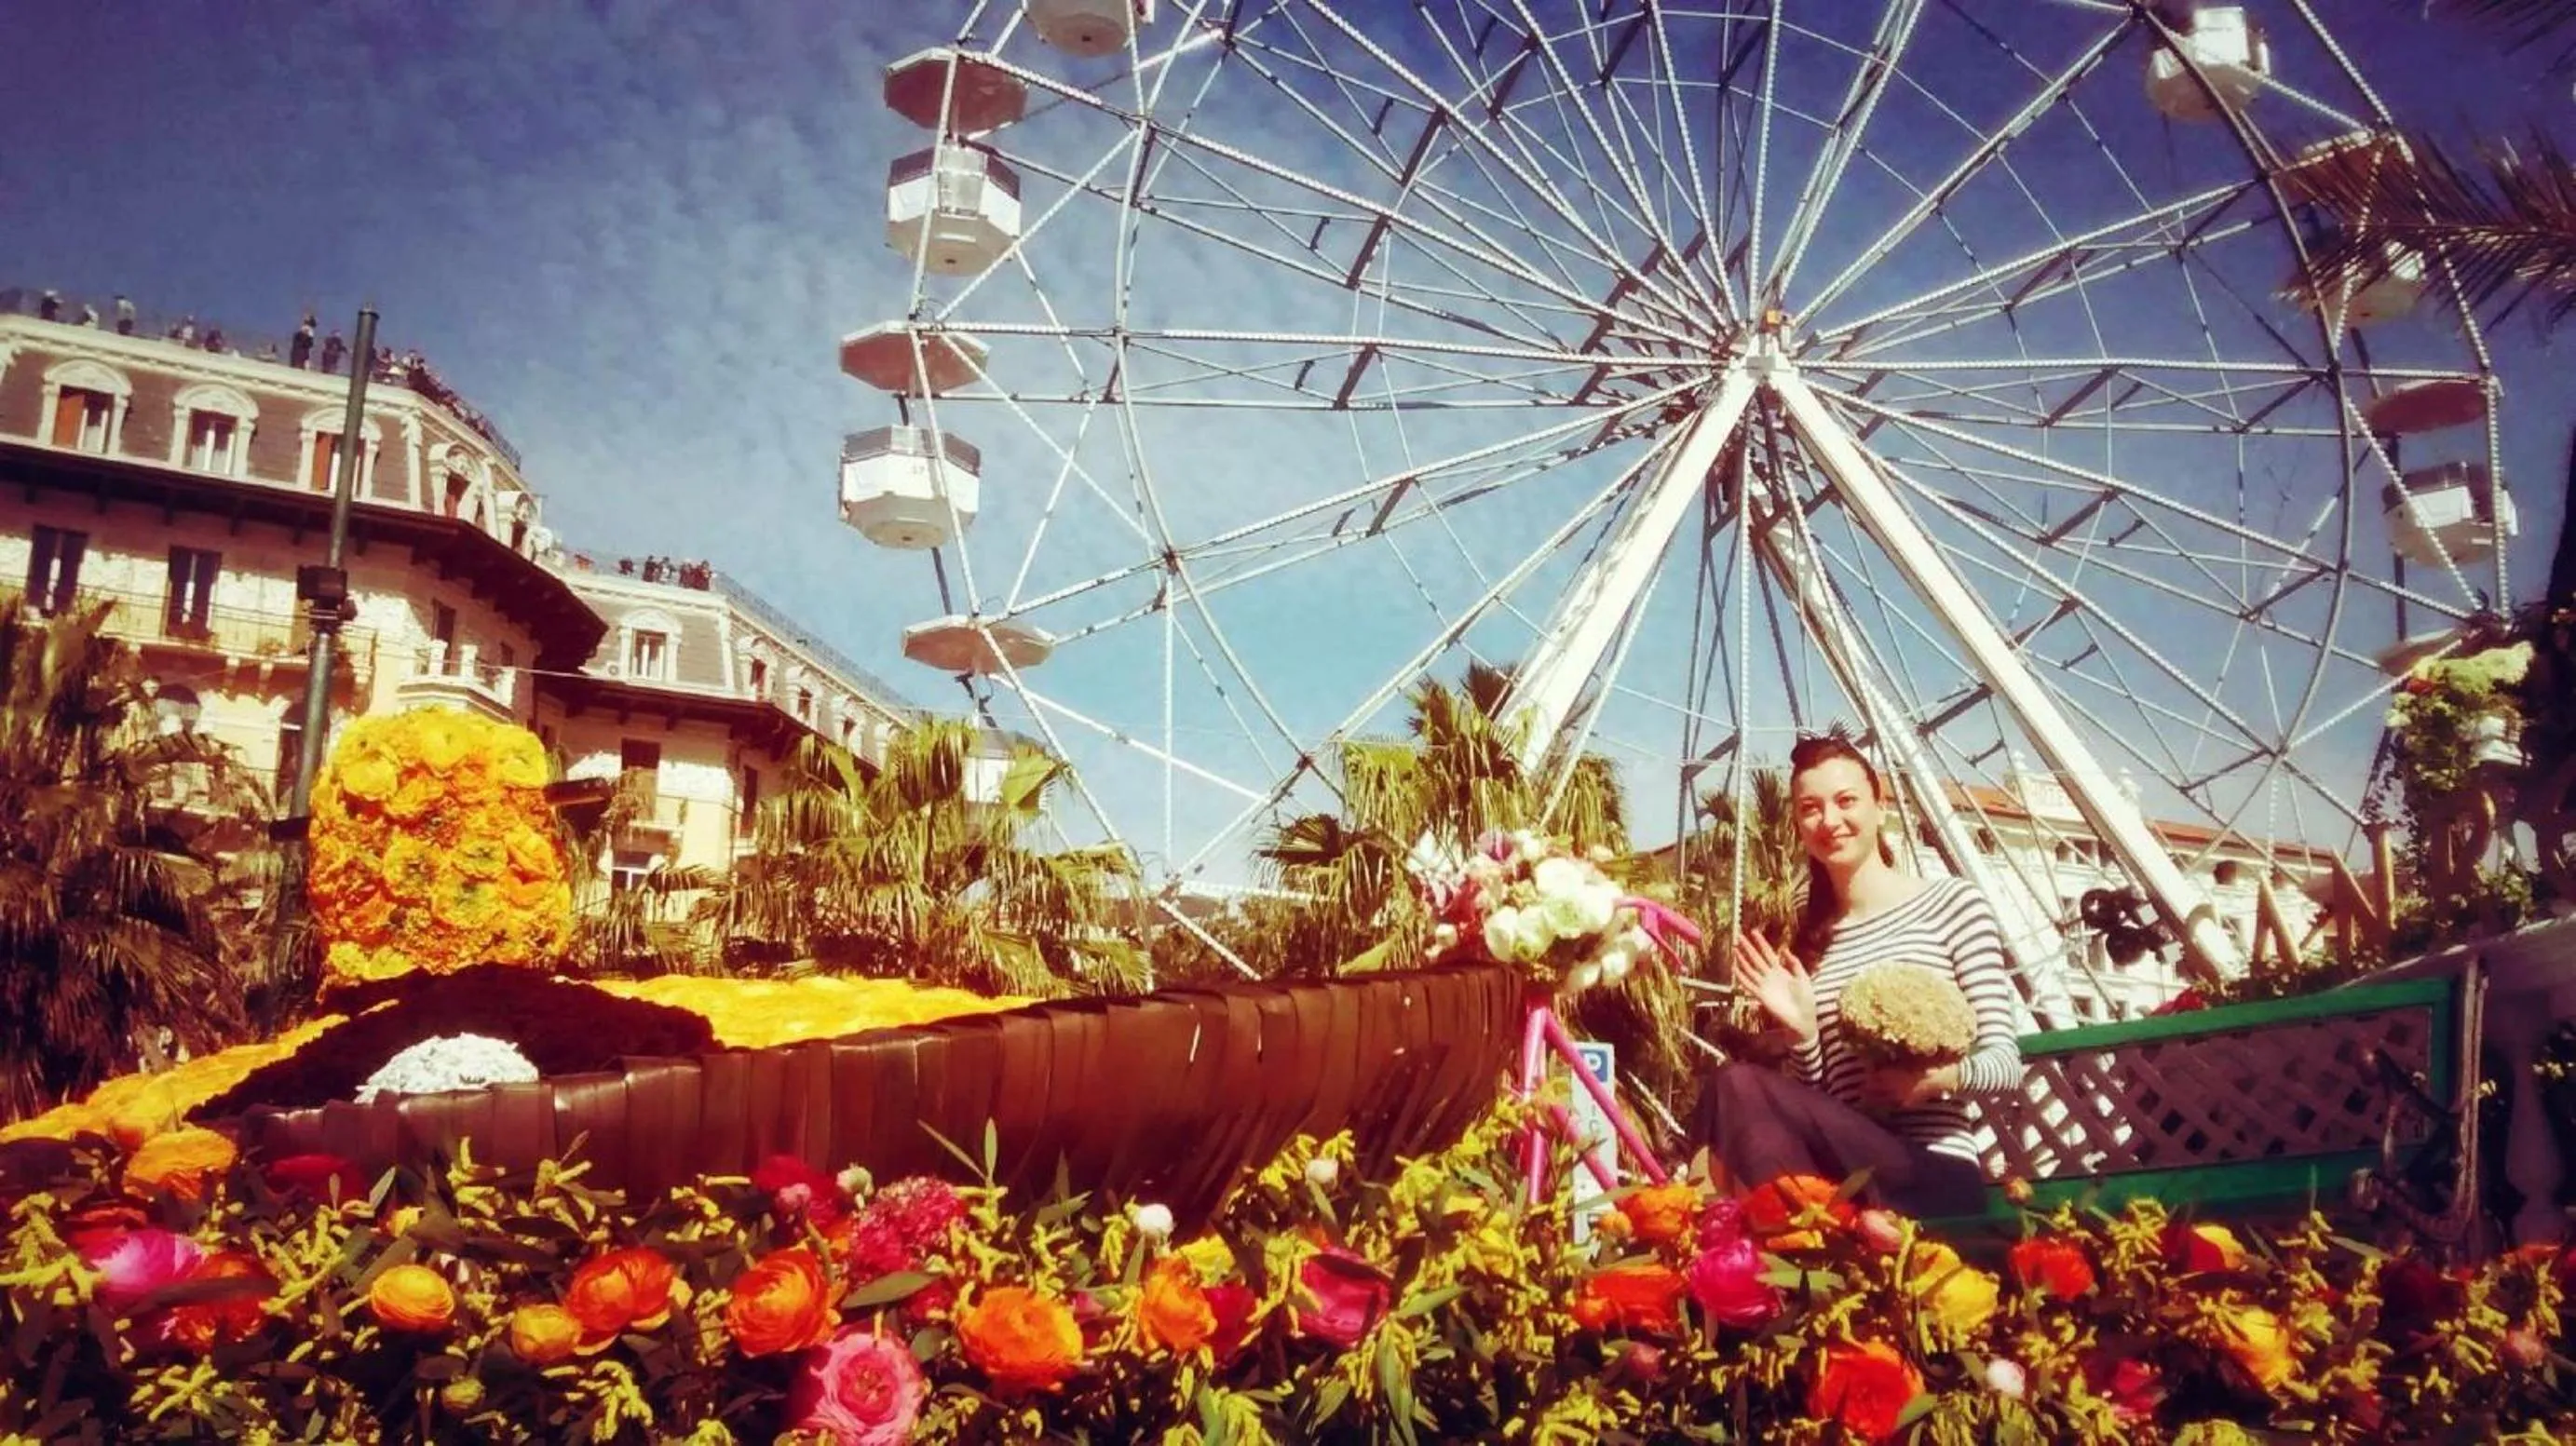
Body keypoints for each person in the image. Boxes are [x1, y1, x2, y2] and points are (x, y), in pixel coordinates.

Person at [1695, 728, 2025, 1217]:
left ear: (1879, 807)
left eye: (1845, 800)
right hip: (1847, 1174)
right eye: (1810, 808)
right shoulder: (1813, 940)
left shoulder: (1951, 905)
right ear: (1799, 827)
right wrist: (1803, 1033)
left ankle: (1789, 1252)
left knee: (1738, 1085)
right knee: (1736, 1085)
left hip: (1929, 1172)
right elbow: (1823, 1103)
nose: (1829, 820)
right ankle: (1802, 1248)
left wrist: (1937, 1079)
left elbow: (2007, 1064)